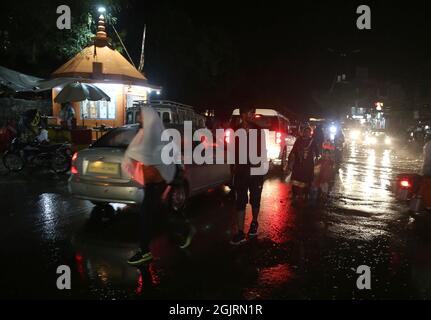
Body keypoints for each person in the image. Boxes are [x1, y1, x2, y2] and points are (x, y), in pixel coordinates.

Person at [124, 106, 179, 266]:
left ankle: (144, 251)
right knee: (162, 215)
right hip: (152, 184)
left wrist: (137, 157)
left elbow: (154, 155)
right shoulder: (144, 133)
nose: (138, 119)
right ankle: (181, 233)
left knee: (146, 217)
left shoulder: (154, 135)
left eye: (140, 116)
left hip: (156, 184)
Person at [230, 107, 267, 245]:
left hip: (256, 171)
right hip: (240, 171)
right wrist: (233, 169)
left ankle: (254, 222)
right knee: (240, 200)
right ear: (243, 114)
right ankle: (240, 232)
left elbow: (262, 151)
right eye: (250, 112)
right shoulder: (235, 130)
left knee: (255, 199)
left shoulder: (258, 130)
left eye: (253, 112)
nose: (252, 115)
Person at [288, 126, 319, 202]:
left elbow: (316, 151)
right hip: (298, 163)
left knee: (307, 180)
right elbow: (294, 149)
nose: (307, 133)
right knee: (296, 179)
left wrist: (318, 158)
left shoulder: (312, 141)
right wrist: (290, 159)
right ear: (303, 132)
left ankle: (306, 194)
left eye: (308, 132)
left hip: (308, 164)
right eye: (305, 132)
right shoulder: (299, 140)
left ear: (310, 133)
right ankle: (295, 195)